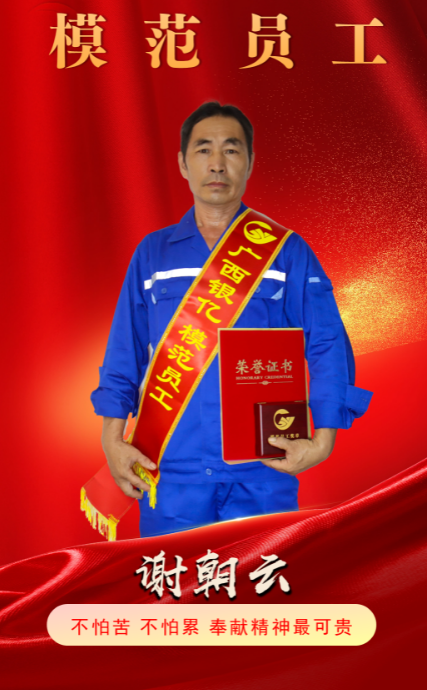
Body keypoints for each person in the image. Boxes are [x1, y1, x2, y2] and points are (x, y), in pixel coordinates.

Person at [91, 101, 372, 537]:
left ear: (250, 162)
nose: (217, 163)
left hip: (264, 465)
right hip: (171, 469)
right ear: (183, 163)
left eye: (232, 150)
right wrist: (111, 438)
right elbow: (125, 350)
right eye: (204, 150)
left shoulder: (286, 251)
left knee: (263, 580)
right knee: (175, 582)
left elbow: (327, 342)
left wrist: (324, 438)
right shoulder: (153, 254)